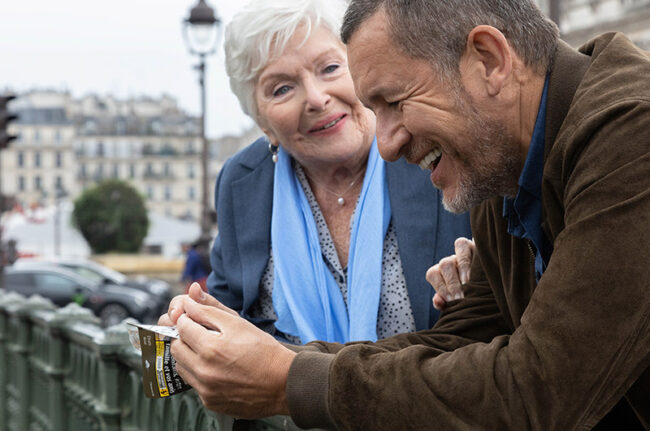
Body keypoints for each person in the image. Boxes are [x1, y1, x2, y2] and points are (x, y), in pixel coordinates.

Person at [161, 0, 649, 428]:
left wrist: (285, 380)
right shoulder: (501, 157)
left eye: (394, 102)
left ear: (490, 59)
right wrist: (262, 361)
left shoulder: (633, 134)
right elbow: (460, 343)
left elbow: (537, 391)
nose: (387, 143)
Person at [203, 0, 471, 344]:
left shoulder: (431, 143)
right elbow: (229, 317)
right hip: (288, 399)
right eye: (282, 88)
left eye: (330, 68)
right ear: (263, 123)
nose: (316, 98)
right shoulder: (243, 182)